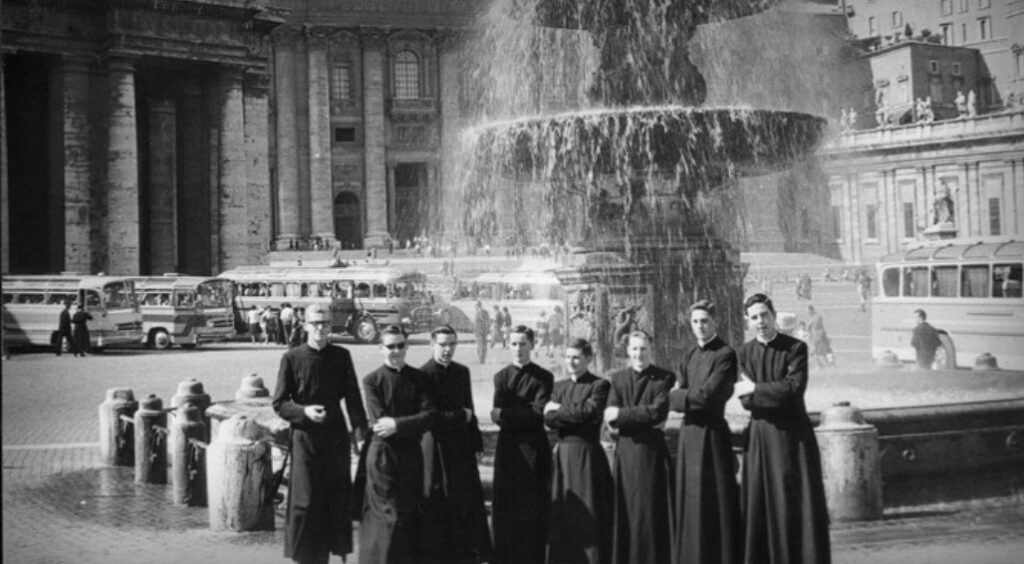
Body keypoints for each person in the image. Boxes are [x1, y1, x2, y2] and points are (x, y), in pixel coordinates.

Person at [734, 293, 831, 564]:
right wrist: (766, 393)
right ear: (748, 322)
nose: (760, 321)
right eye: (754, 317)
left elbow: (794, 390)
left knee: (794, 505)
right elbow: (745, 401)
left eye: (764, 315)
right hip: (761, 438)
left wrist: (755, 388)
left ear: (773, 315)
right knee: (760, 507)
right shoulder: (743, 354)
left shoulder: (795, 349)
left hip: (792, 439)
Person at [272, 304, 368, 564]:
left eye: (325, 324)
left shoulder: (341, 356)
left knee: (335, 499)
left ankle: (330, 554)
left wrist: (361, 435)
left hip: (335, 437)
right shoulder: (291, 358)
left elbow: (354, 399)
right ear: (305, 327)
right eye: (315, 324)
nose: (321, 329)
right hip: (305, 439)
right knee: (306, 501)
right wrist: (304, 412)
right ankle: (304, 557)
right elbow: (280, 403)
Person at [669, 301, 742, 564]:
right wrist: (684, 396)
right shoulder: (688, 355)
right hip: (689, 434)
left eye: (705, 321)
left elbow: (708, 396)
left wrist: (678, 396)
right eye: (695, 322)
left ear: (715, 322)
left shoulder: (726, 354)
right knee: (691, 499)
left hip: (712, 434)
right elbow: (688, 395)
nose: (700, 326)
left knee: (716, 500)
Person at [359, 325, 434, 564]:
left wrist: (398, 425)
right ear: (381, 349)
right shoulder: (372, 381)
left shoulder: (420, 378)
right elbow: (379, 422)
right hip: (383, 458)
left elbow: (429, 416)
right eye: (391, 346)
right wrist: (409, 424)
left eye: (401, 345)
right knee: (387, 520)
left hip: (411, 457)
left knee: (410, 518)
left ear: (407, 346)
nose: (396, 351)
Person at [420, 325, 492, 564]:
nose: (447, 350)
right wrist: (462, 416)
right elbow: (431, 417)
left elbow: (469, 405)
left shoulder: (462, 372)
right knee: (441, 499)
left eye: (452, 344)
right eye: (442, 344)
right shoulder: (424, 374)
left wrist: (476, 441)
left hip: (461, 446)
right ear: (432, 345)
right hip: (438, 448)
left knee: (465, 499)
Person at [604, 331, 674, 564]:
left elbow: (657, 413)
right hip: (626, 453)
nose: (639, 354)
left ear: (650, 349)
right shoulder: (618, 379)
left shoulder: (664, 378)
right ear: (627, 351)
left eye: (643, 348)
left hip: (651, 454)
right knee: (626, 511)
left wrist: (622, 414)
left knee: (650, 512)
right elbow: (609, 418)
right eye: (634, 349)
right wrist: (633, 417)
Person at [544, 338, 613, 564]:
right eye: (567, 357)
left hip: (587, 456)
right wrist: (568, 414)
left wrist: (560, 410)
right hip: (563, 456)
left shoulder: (599, 385)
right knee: (563, 514)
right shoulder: (558, 387)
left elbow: (591, 413)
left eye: (576, 357)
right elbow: (549, 420)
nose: (571, 362)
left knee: (589, 515)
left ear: (588, 359)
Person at [490, 325, 553, 564]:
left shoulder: (544, 377)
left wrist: (507, 414)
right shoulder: (501, 377)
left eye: (523, 344)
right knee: (506, 507)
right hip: (508, 451)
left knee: (532, 507)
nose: (518, 349)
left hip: (533, 449)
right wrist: (515, 414)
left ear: (532, 345)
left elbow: (538, 414)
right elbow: (496, 416)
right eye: (514, 343)